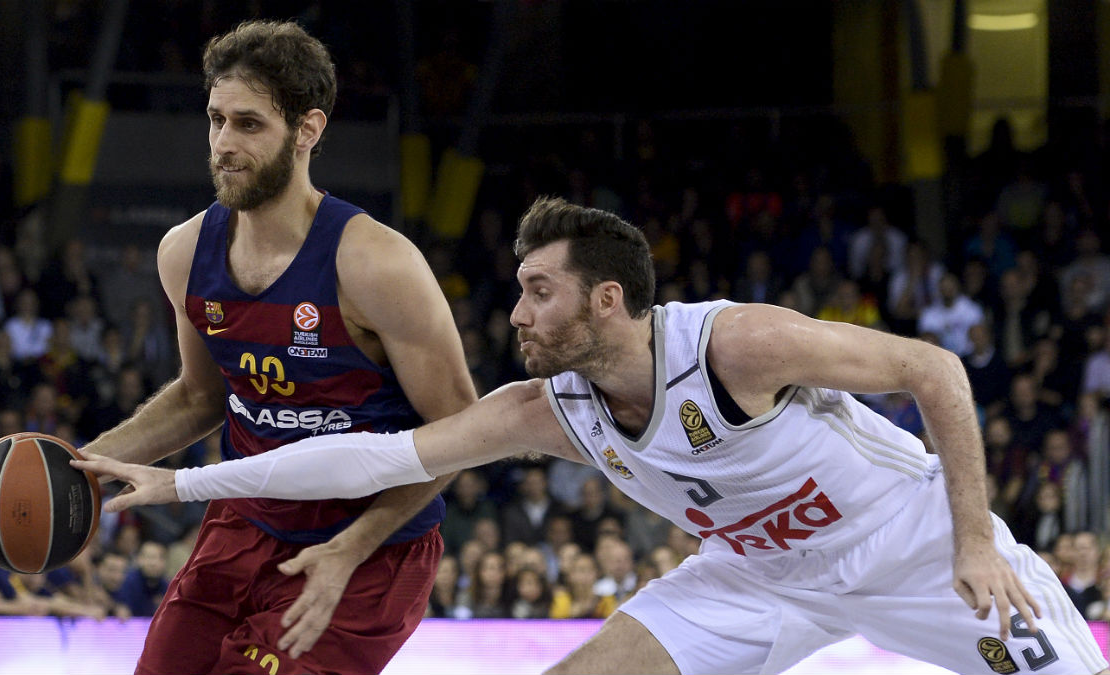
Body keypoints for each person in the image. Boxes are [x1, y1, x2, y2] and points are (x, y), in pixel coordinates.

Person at [76, 197, 1108, 675]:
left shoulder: (736, 346)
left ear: (606, 300)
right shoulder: (549, 409)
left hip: (913, 551)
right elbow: (380, 458)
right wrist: (171, 490)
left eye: (538, 291)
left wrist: (973, 535)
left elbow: (936, 370)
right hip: (755, 575)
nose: (515, 314)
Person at [71, 20, 476, 675]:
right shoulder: (184, 251)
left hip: (369, 546)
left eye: (249, 124)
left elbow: (463, 429)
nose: (224, 144)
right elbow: (202, 395)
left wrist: (351, 547)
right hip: (245, 522)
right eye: (216, 120)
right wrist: (82, 466)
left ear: (308, 130)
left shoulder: (378, 264)